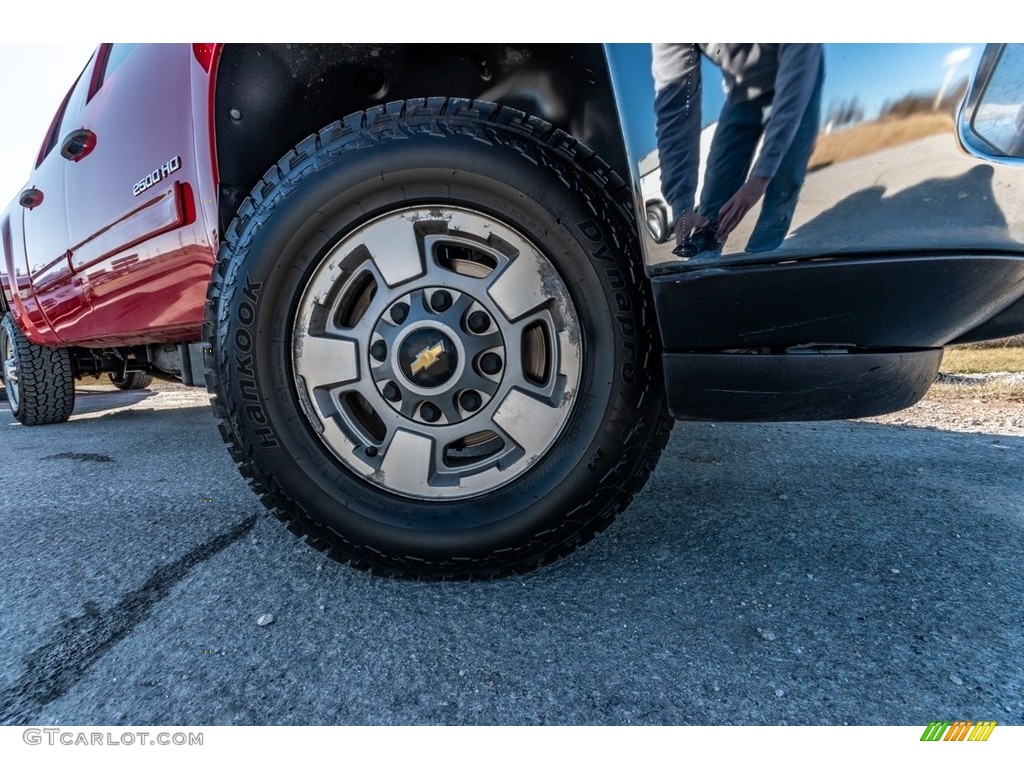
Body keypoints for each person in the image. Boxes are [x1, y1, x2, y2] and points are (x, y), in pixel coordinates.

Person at [653, 44, 825, 258]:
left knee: (783, 184)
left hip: (798, 75)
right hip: (742, 92)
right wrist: (682, 205)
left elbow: (799, 53)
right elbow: (676, 110)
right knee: (713, 207)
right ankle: (704, 271)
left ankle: (764, 261)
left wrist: (760, 177)